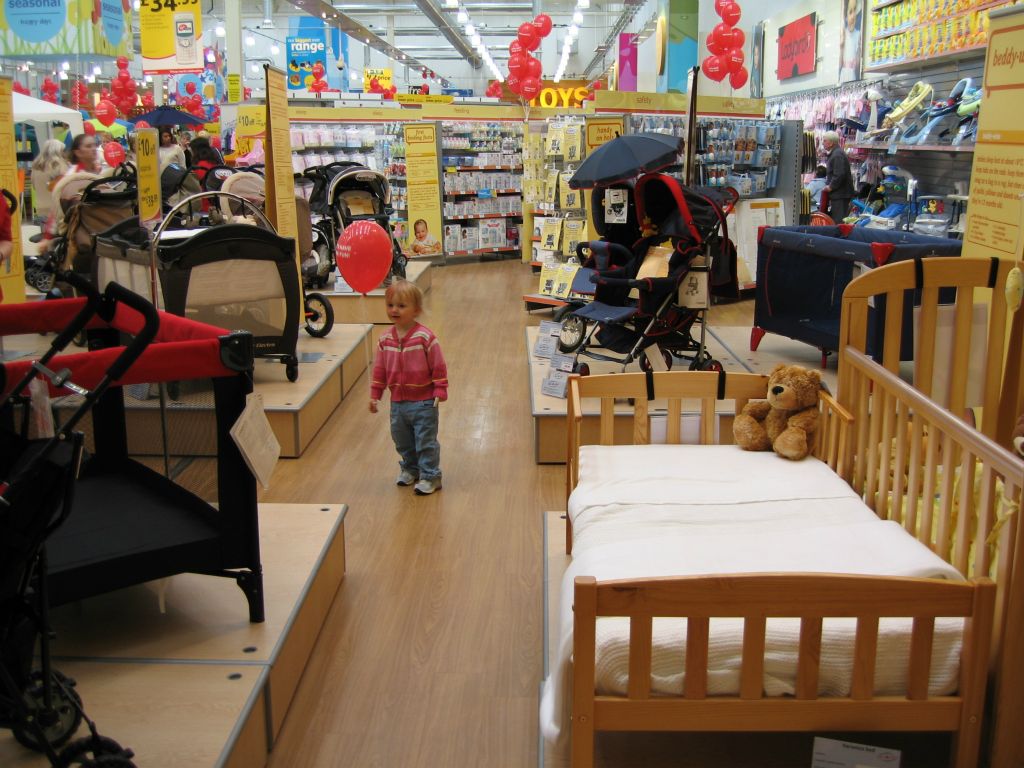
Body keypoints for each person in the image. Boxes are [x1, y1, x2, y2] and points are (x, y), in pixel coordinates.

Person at [369, 280, 448, 495]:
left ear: (417, 310)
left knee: (425, 440)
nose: (394, 310)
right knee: (401, 439)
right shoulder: (385, 339)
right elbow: (380, 370)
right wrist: (375, 394)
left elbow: (438, 364)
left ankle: (431, 475)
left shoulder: (425, 337)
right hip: (398, 403)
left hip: (424, 401)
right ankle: (410, 468)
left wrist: (440, 388)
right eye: (390, 305)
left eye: (401, 306)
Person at [30, 139, 69, 223]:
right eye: (63, 150)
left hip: (40, 207)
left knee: (45, 234)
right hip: (57, 208)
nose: (64, 153)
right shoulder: (60, 165)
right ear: (57, 151)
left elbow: (34, 186)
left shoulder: (35, 166)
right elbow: (66, 185)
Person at [822, 131, 855, 222]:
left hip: (841, 194)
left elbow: (840, 174)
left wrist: (831, 186)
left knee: (838, 219)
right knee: (837, 218)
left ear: (831, 142)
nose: (823, 143)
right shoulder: (836, 153)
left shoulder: (837, 155)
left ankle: (839, 236)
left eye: (825, 141)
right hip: (839, 193)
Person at [839, 0, 863, 84]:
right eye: (850, 12)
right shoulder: (843, 34)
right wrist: (841, 47)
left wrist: (859, 51)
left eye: (855, 11)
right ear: (845, 16)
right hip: (843, 76)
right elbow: (840, 63)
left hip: (853, 77)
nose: (853, 16)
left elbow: (857, 64)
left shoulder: (858, 34)